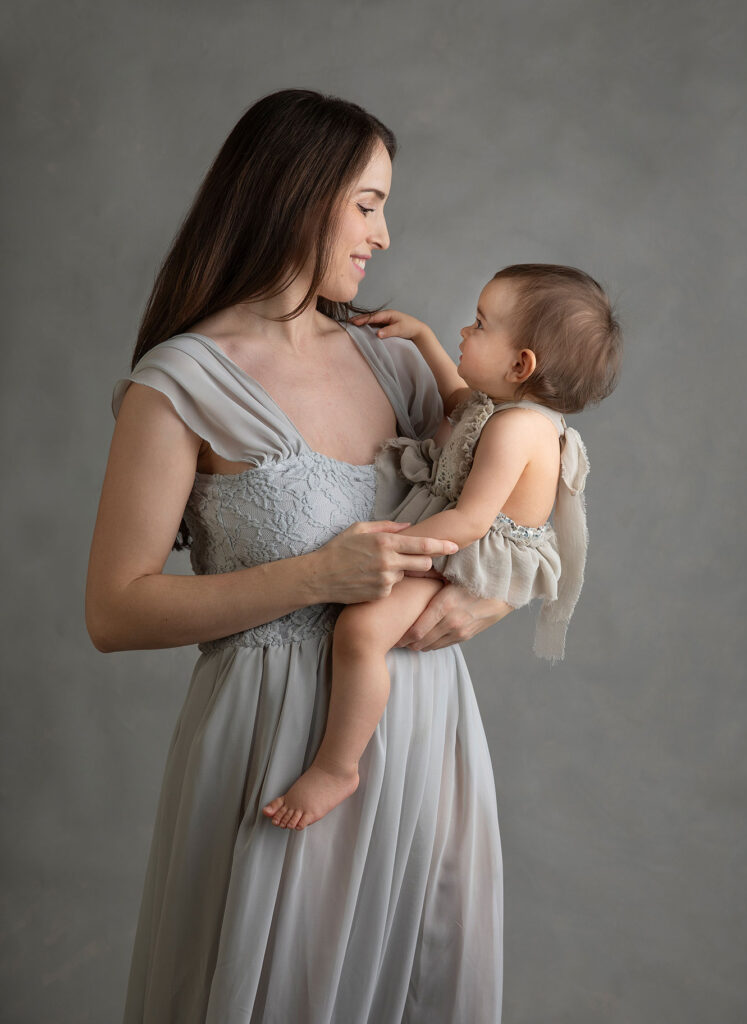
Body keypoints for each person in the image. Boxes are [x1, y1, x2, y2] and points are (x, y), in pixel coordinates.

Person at [86, 88, 509, 1023]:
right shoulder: (181, 383)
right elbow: (114, 612)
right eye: (367, 203)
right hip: (275, 754)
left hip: (425, 736)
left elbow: (514, 501)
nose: (385, 235)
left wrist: (491, 602)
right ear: (295, 193)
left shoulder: (394, 365)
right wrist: (314, 578)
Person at [263, 264, 622, 832]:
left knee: (360, 633)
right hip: (452, 534)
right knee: (361, 623)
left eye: (479, 325)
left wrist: (395, 547)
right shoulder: (497, 406)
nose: (464, 331)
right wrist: (424, 337)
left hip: (466, 555)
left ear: (521, 364)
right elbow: (459, 403)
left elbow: (473, 521)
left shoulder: (518, 430)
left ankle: (337, 767)